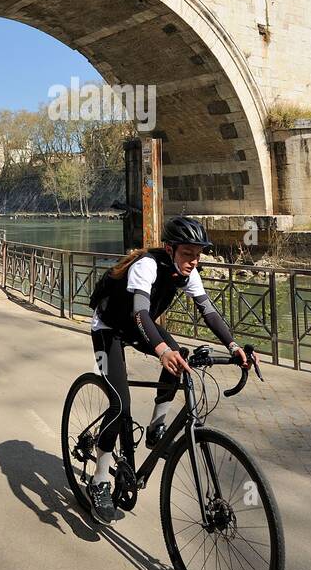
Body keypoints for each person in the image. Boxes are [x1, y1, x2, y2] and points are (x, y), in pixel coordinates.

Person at [86, 215, 256, 523]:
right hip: (109, 328)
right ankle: (98, 481)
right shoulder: (147, 265)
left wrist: (234, 347)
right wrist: (161, 349)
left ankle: (156, 428)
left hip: (140, 328)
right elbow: (140, 311)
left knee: (182, 356)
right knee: (119, 403)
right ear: (170, 249)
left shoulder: (189, 274)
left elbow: (209, 312)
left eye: (198, 254)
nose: (194, 260)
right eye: (187, 254)